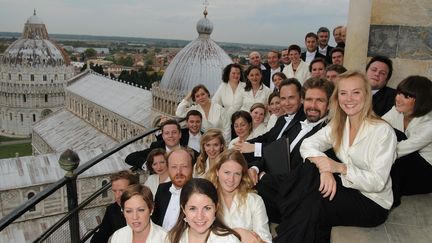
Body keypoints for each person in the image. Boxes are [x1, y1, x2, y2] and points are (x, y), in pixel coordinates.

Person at [270, 71, 397, 242]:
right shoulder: (340, 124)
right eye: (343, 93)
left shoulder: (382, 131)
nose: (348, 98)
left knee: (312, 202)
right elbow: (308, 144)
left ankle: (286, 223)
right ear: (337, 97)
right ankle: (289, 227)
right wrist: (325, 169)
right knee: (310, 173)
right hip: (347, 186)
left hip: (372, 201)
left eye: (356, 92)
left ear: (367, 95)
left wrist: (339, 168)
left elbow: (377, 182)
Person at [382, 75, 432, 207]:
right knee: (386, 132)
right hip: (403, 168)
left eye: (406, 96)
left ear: (420, 100)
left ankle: (391, 197)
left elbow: (401, 150)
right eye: (398, 93)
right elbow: (377, 128)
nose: (398, 98)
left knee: (397, 137)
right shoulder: (397, 111)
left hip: (425, 174)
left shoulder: (429, 125)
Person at [207, 149, 272, 243]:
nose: (231, 179)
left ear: (242, 176)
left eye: (237, 174)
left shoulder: (254, 201)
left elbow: (265, 240)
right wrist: (238, 233)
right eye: (227, 172)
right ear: (217, 171)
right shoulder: (206, 198)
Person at [234, 78, 305, 164]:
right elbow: (267, 137)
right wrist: (245, 143)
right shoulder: (282, 119)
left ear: (301, 98)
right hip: (268, 161)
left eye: (291, 97)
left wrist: (254, 147)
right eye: (283, 98)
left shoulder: (305, 121)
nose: (287, 103)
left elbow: (284, 148)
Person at [167, 178, 241, 243]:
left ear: (216, 208)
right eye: (193, 208)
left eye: (207, 208)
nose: (200, 217)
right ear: (183, 209)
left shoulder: (229, 241)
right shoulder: (172, 238)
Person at [152, 148, 194, 230]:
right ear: (168, 168)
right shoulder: (162, 189)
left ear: (192, 167)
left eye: (184, 166)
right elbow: (155, 222)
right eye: (174, 167)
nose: (179, 172)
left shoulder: (200, 192)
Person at [125, 119, 194, 170]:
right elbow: (130, 158)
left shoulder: (190, 151)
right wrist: (149, 166)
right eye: (167, 133)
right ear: (163, 136)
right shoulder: (156, 148)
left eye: (174, 132)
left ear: (180, 134)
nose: (171, 136)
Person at [91, 171, 138, 243]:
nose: (117, 196)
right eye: (114, 191)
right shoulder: (112, 209)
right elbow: (102, 235)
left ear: (133, 189)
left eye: (122, 191)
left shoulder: (146, 208)